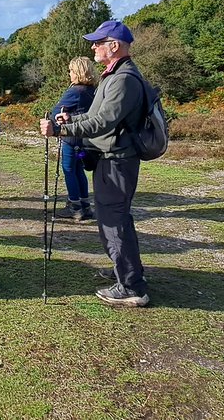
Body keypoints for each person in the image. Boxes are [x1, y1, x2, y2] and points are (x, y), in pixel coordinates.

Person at [40, 20, 152, 308]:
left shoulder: (123, 79)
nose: (93, 46)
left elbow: (104, 122)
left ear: (113, 46)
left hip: (117, 161)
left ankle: (131, 286)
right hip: (111, 159)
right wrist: (72, 119)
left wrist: (61, 130)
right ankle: (125, 272)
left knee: (114, 221)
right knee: (114, 219)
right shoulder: (114, 75)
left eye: (98, 42)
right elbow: (95, 115)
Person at [52, 56, 98, 222]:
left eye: (71, 70)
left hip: (72, 139)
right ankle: (85, 205)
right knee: (78, 170)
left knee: (69, 170)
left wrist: (57, 121)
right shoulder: (94, 90)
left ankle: (75, 207)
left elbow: (55, 112)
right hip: (86, 140)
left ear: (78, 72)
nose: (69, 73)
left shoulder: (75, 91)